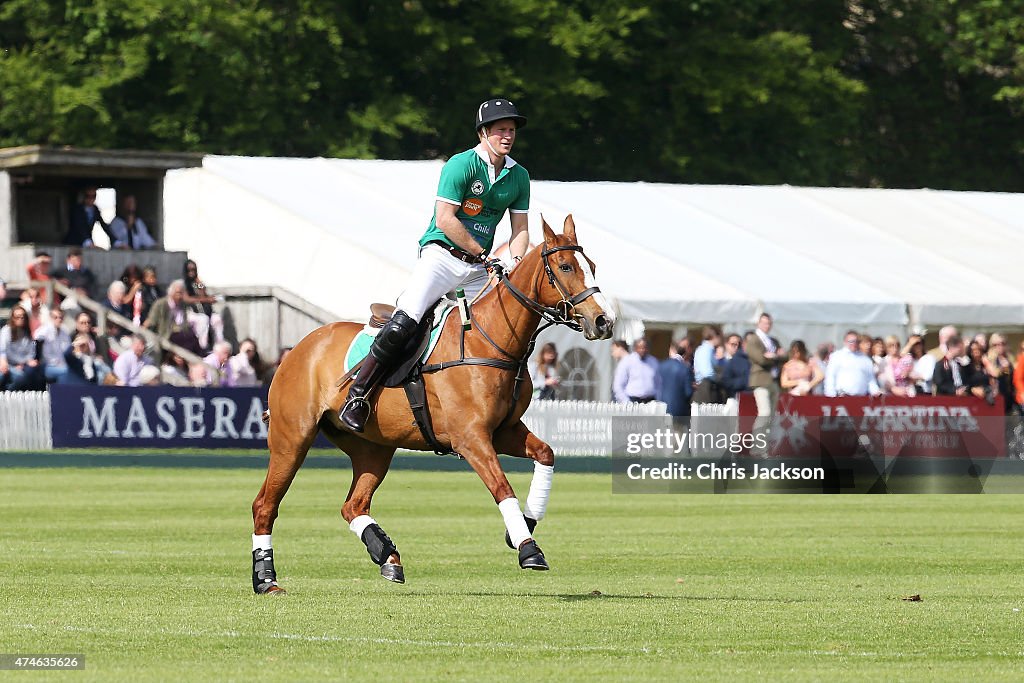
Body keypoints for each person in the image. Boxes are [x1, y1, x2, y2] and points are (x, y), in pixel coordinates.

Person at [340, 98, 531, 433]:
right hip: (442, 256)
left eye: (512, 130)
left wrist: (513, 261)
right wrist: (483, 254)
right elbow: (445, 220)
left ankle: (479, 410)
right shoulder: (460, 166)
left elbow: (521, 230)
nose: (508, 135)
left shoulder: (519, 176)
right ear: (484, 132)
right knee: (405, 321)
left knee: (504, 325)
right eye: (501, 129)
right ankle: (358, 395)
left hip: (478, 270)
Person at [746, 313, 785, 448]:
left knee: (771, 415)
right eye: (764, 323)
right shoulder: (753, 340)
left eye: (769, 323)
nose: (767, 326)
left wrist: (772, 356)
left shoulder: (772, 340)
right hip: (760, 380)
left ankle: (764, 445)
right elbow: (760, 359)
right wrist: (775, 356)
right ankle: (757, 446)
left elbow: (784, 356)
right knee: (765, 412)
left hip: (773, 380)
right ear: (758, 323)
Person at [144, 279, 203, 355]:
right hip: (167, 334)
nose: (180, 296)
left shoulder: (183, 304)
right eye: (178, 293)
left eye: (182, 293)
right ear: (171, 293)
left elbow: (184, 322)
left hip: (181, 333)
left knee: (193, 337)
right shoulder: (160, 304)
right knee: (186, 339)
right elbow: (151, 320)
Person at [0, 305, 45, 390]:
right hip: (7, 364)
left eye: (23, 316)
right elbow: (4, 351)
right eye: (17, 317)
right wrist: (20, 362)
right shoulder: (6, 331)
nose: (20, 319)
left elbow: (31, 352)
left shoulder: (26, 333)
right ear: (12, 318)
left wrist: (24, 362)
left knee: (25, 376)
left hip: (21, 365)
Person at [183, 259, 225, 350]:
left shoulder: (197, 283)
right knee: (203, 319)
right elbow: (187, 299)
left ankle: (220, 346)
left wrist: (200, 283)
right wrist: (207, 299)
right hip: (190, 312)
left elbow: (203, 294)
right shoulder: (183, 284)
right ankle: (203, 347)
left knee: (217, 319)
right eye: (189, 270)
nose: (191, 272)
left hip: (203, 311)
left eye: (194, 270)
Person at [825, 330, 881, 397]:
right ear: (845, 342)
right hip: (841, 398)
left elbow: (871, 380)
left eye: (856, 341)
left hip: (861, 399)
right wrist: (830, 395)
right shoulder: (837, 356)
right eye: (851, 341)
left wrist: (875, 392)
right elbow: (830, 377)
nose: (853, 343)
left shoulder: (865, 360)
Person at [613, 337, 661, 403]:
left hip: (650, 401)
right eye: (640, 347)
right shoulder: (627, 361)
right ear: (635, 348)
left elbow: (658, 383)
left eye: (645, 348)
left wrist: (658, 399)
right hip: (632, 400)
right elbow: (618, 385)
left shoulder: (653, 362)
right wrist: (626, 401)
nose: (642, 350)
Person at [656, 339, 693, 417]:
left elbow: (656, 387)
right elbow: (688, 392)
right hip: (680, 410)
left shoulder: (661, 366)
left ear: (671, 350)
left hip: (661, 408)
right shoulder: (685, 368)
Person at [33, 308, 72, 383]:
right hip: (47, 366)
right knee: (66, 371)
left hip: (62, 365)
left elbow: (68, 351)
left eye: (61, 317)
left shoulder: (65, 331)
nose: (58, 319)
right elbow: (36, 344)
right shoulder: (43, 331)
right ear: (50, 318)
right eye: (55, 317)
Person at [692, 325, 724, 404]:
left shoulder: (708, 350)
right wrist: (721, 379)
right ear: (715, 336)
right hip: (706, 388)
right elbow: (707, 373)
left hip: (707, 386)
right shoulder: (706, 350)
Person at [987, 333, 1015, 412]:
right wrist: (1002, 369)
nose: (1000, 346)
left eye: (1003, 343)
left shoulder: (1010, 358)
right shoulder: (988, 359)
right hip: (995, 398)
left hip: (1009, 397)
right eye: (996, 344)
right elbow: (993, 373)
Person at [719, 333, 751, 399]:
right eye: (733, 344)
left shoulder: (746, 361)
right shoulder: (720, 361)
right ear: (726, 344)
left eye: (738, 345)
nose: (736, 347)